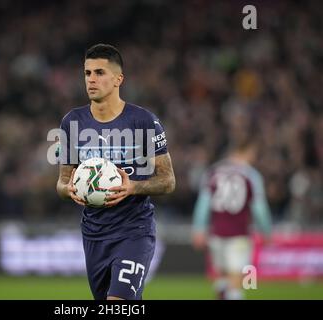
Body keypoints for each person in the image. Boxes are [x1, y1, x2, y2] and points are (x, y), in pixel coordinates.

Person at [56, 43, 175, 300]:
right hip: (94, 234)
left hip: (135, 230)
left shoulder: (144, 121)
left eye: (99, 72)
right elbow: (62, 182)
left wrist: (133, 187)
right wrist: (69, 190)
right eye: (87, 73)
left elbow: (168, 181)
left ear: (118, 79)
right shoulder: (71, 122)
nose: (91, 79)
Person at [191, 138, 272, 300]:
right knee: (235, 283)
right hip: (239, 235)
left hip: (216, 234)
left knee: (222, 279)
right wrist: (266, 231)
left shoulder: (213, 172)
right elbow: (259, 207)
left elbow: (203, 204)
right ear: (247, 152)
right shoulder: (251, 175)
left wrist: (198, 229)